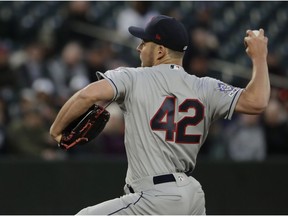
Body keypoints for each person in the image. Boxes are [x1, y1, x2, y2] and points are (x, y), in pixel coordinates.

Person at [50, 15, 270, 215]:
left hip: (155, 198)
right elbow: (257, 101)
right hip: (191, 196)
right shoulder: (206, 87)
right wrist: (259, 57)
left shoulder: (133, 77)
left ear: (160, 51)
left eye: (144, 43)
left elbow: (87, 95)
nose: (138, 47)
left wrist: (56, 130)